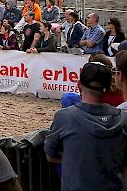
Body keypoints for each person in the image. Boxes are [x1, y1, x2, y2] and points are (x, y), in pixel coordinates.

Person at [45, 62, 127, 191]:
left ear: (78, 85)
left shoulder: (65, 117)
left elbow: (50, 155)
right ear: (109, 88)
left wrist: (80, 161)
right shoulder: (123, 118)